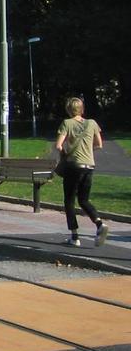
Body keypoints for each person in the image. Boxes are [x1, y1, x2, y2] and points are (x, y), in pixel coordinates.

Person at [55, 97, 107, 247]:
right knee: (84, 200)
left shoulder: (67, 123)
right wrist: (87, 150)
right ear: (82, 109)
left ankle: (74, 236)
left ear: (69, 110)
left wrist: (66, 152)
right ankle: (99, 224)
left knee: (69, 201)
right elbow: (99, 144)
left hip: (73, 166)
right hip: (89, 165)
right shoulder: (92, 123)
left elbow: (59, 145)